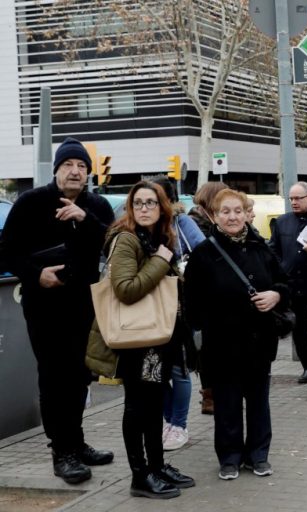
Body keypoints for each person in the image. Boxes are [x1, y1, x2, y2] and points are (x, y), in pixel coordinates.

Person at [1, 137, 115, 484]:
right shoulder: (31, 202)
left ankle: (76, 443)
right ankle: (61, 450)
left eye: (82, 166)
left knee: (81, 376)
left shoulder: (97, 205)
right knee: (54, 378)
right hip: (44, 307)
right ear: (56, 169)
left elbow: (114, 243)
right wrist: (37, 275)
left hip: (85, 305)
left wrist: (85, 218)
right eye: (68, 164)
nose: (75, 171)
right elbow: (6, 252)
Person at [184, 189, 289, 480]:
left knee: (258, 402)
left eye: (237, 211)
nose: (232, 217)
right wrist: (213, 319)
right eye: (225, 212)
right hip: (222, 345)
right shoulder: (204, 254)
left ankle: (258, 455)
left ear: (246, 213)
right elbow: (190, 304)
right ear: (214, 216)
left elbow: (284, 283)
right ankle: (229, 457)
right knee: (227, 403)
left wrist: (275, 296)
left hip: (259, 342)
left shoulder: (261, 247)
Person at [105, 181, 195, 498]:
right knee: (137, 406)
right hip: (135, 342)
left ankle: (156, 466)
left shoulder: (157, 237)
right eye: (139, 203)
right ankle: (139, 475)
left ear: (162, 208)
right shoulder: (126, 239)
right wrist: (161, 261)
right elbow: (125, 289)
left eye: (151, 203)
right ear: (131, 208)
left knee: (154, 403)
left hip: (156, 342)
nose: (145, 209)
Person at [151, 177, 205, 451]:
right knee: (152, 369)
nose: (150, 205)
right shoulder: (140, 227)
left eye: (156, 198)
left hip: (179, 309)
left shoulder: (182, 224)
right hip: (147, 309)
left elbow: (205, 254)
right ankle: (168, 421)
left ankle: (178, 424)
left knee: (178, 368)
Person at [268, 181, 307, 383]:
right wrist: (281, 268)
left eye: (298, 198)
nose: (294, 202)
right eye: (291, 198)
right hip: (293, 283)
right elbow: (273, 249)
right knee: (300, 329)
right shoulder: (283, 222)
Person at [187, 181, 228, 415]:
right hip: (203, 297)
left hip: (213, 295)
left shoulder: (205, 221)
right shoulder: (197, 225)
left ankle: (213, 394)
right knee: (205, 348)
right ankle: (209, 395)